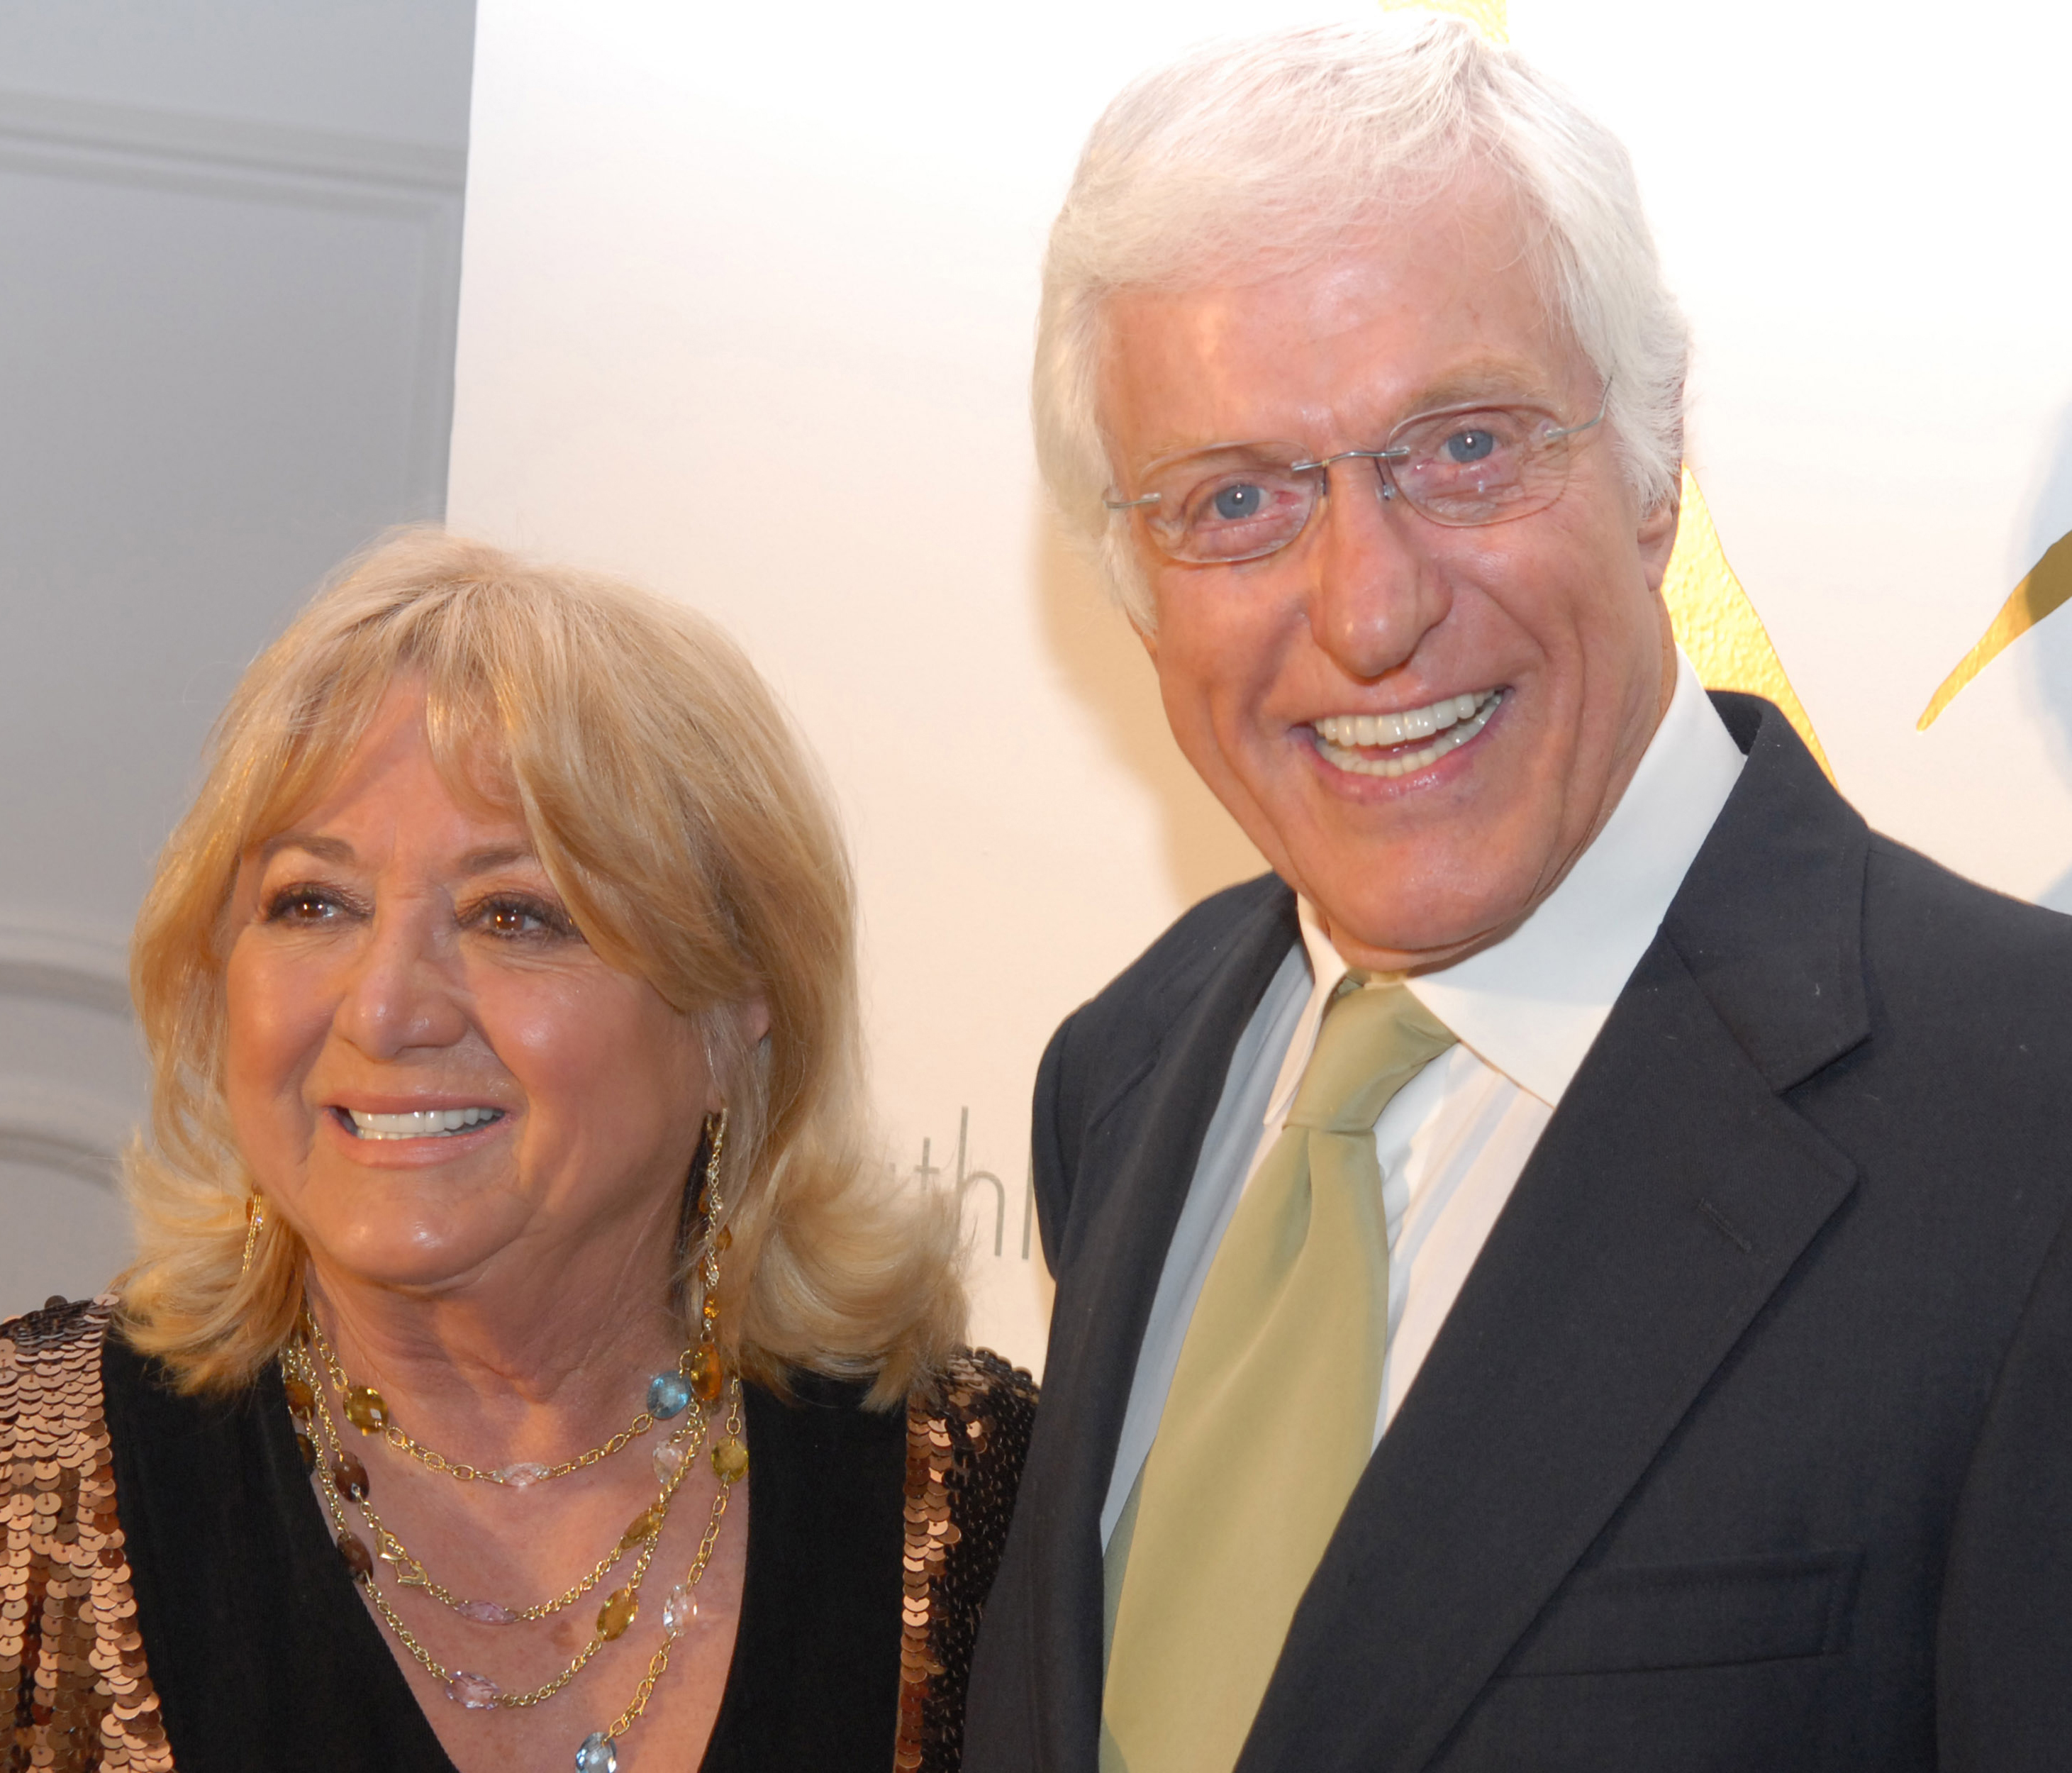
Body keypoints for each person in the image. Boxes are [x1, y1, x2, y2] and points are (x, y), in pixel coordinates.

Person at [964, 18, 2072, 1773]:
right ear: (1131, 582)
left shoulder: (2034, 1117)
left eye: (1463, 447)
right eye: (1237, 499)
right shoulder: (1123, 1069)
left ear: (1654, 463)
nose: (1369, 605)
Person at [0, 530, 1034, 1773]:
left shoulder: (981, 1503)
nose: (387, 1008)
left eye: (513, 915)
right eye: (312, 904)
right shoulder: (31, 1490)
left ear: (732, 1003)